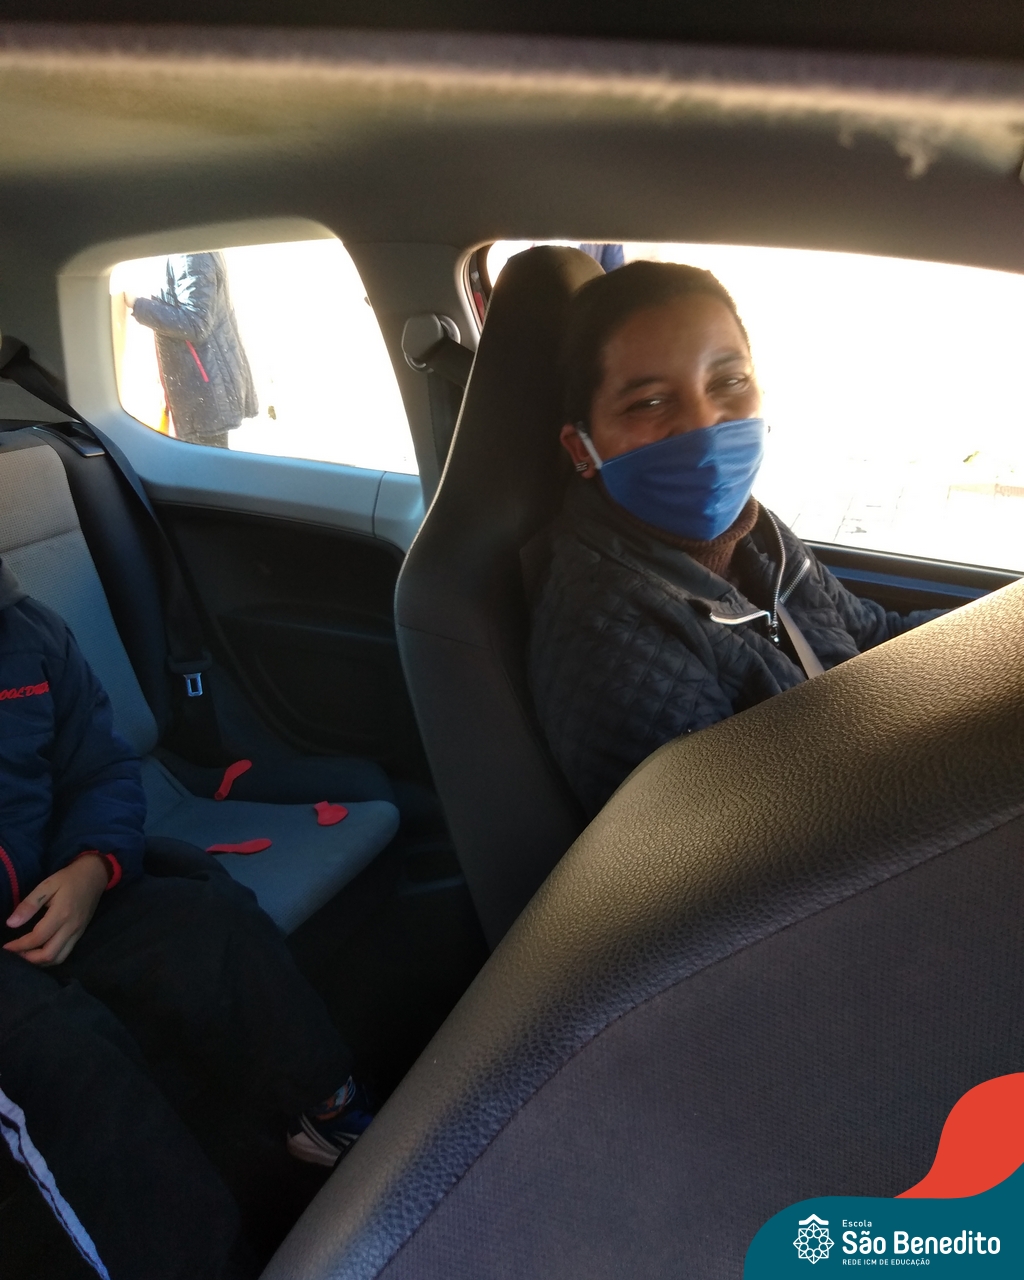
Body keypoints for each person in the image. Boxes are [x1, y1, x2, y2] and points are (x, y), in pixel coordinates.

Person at [0, 557, 372, 1280]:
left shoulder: (28, 633)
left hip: (54, 889)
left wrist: (89, 867)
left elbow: (99, 769)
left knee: (211, 921)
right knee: (63, 1060)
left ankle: (325, 1111)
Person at [529, 260, 945, 819]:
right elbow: (735, 840)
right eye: (648, 402)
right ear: (582, 449)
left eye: (728, 382)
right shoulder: (604, 625)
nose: (704, 423)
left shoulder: (755, 534)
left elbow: (873, 637)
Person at [126, 251, 258, 448]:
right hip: (201, 385)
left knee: (205, 464)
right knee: (202, 462)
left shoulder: (191, 255)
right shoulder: (187, 250)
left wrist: (138, 305)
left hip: (204, 388)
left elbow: (196, 323)